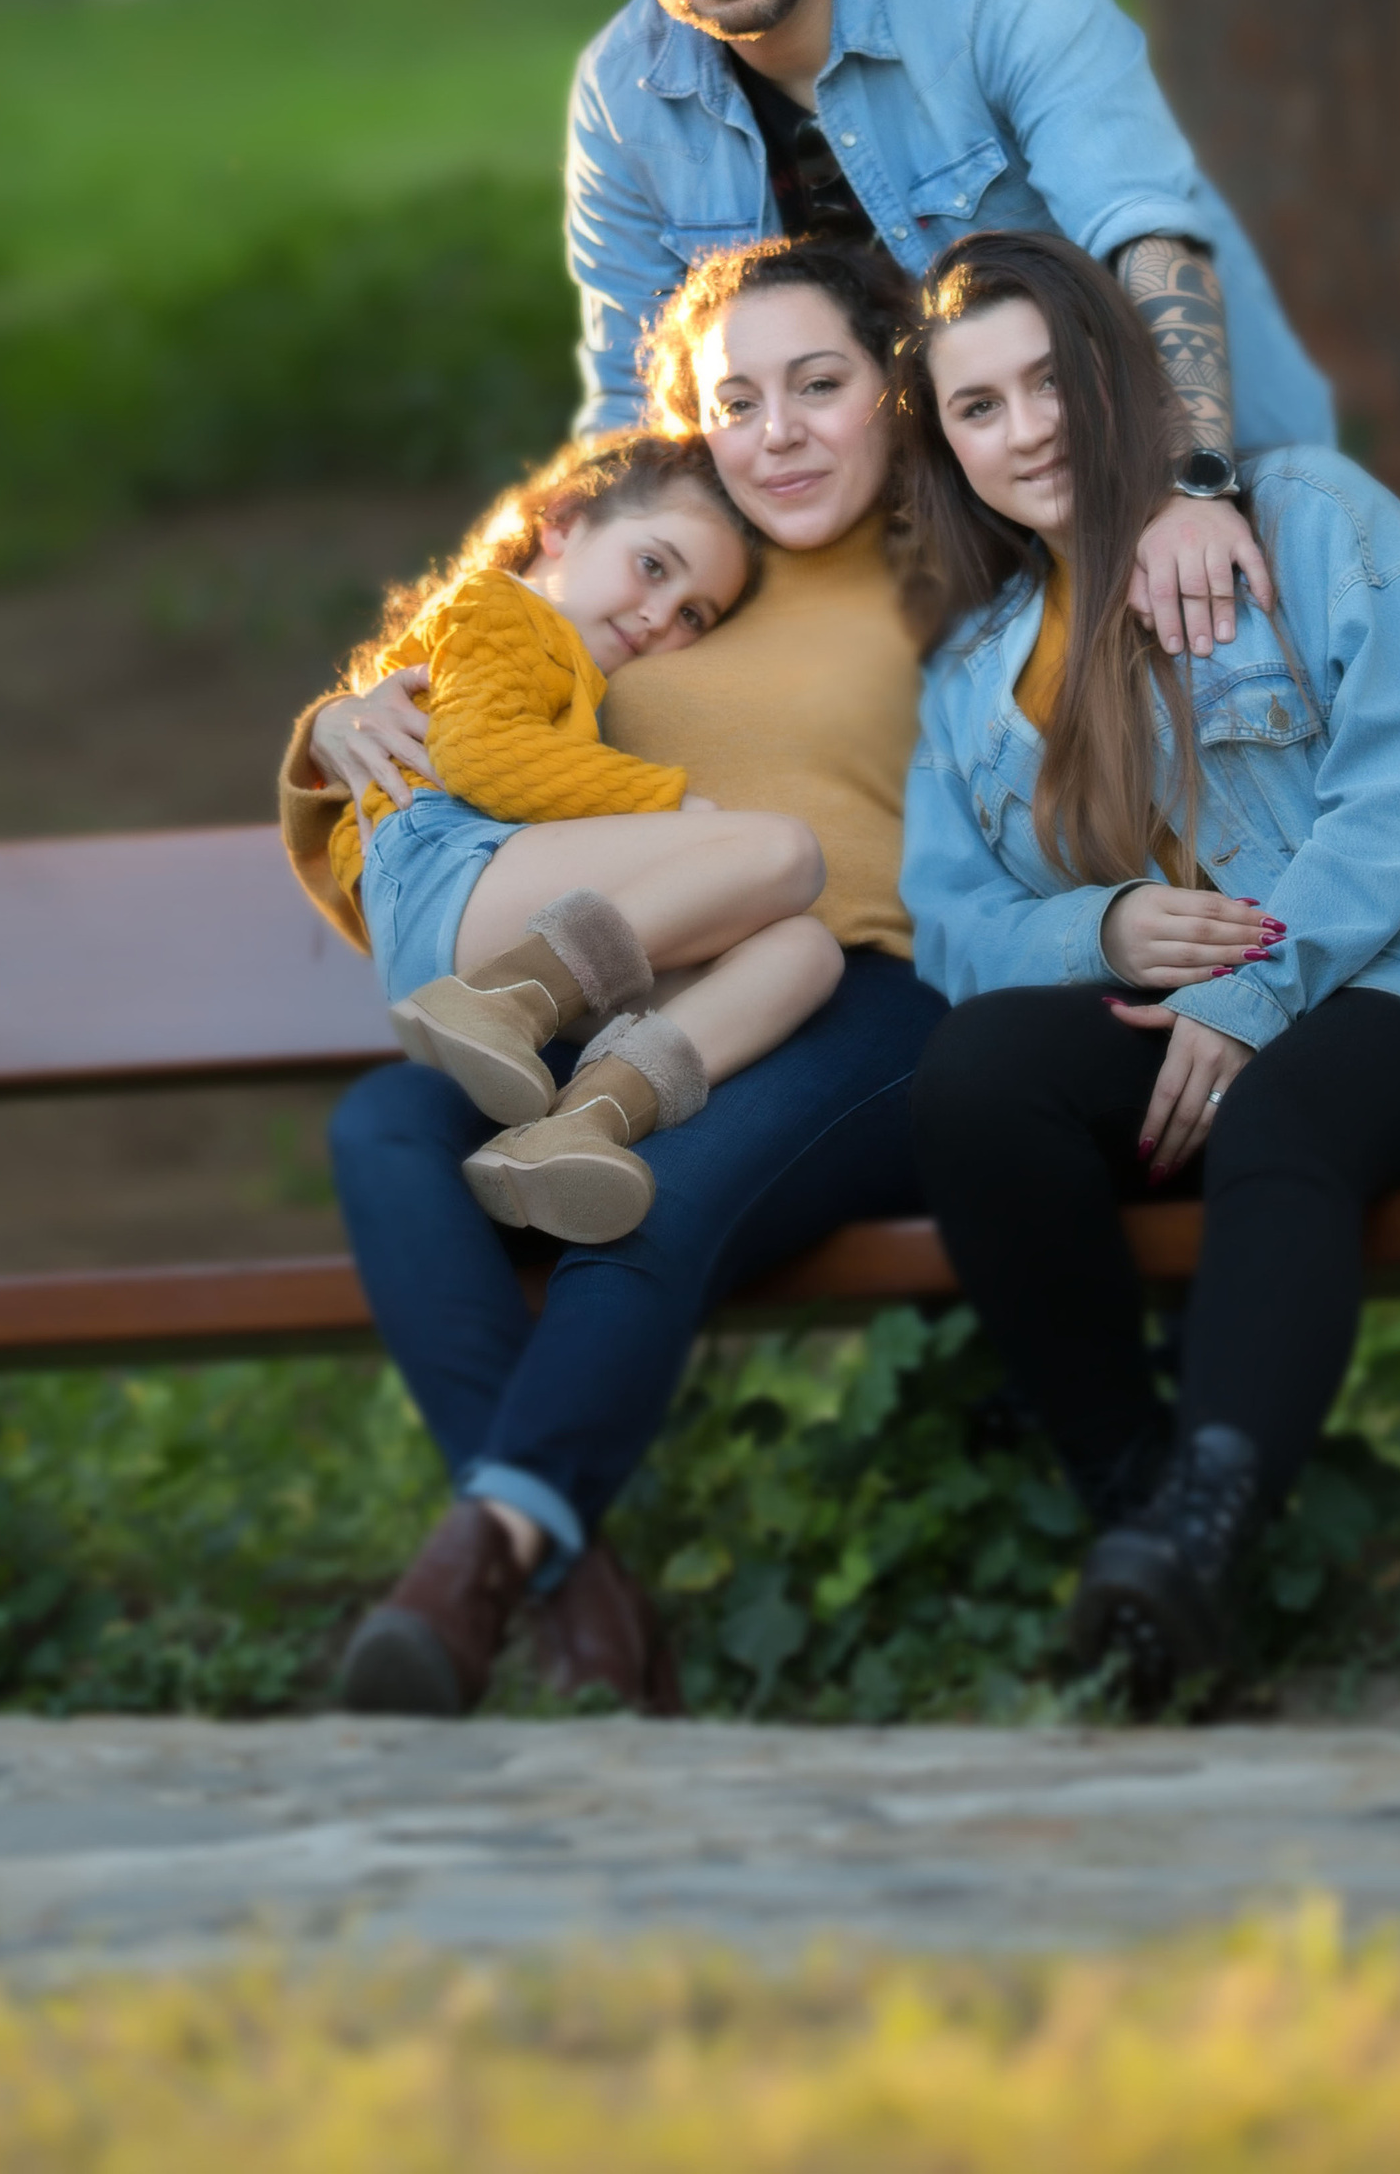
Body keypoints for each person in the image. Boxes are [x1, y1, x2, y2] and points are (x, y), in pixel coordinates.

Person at [898, 230, 1400, 1710]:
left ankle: (1203, 1548)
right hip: (1218, 1039)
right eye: (979, 407)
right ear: (946, 443)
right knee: (974, 1082)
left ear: (1116, 375)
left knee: (1292, 1104)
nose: (1026, 429)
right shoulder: (974, 675)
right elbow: (953, 921)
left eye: (1050, 380)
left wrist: (1253, 990)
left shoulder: (1303, 519)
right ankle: (1146, 1529)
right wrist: (1096, 934)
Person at [280, 236, 940, 1719]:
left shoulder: (949, 552)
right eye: (738, 401)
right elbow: (477, 683)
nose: (777, 432)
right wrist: (340, 724)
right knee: (387, 1133)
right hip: (615, 983)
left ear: (887, 392)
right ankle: (578, 1589)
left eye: (820, 387)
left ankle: (480, 1568)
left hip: (849, 990)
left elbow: (1161, 677)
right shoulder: (673, 544)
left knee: (661, 1188)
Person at [570, 0, 1400, 677]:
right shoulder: (621, 98)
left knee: (1316, 705)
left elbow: (1143, 232)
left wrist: (1198, 490)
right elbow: (630, 400)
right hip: (936, 527)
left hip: (1178, 450)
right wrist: (559, 607)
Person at [322, 427, 844, 1249]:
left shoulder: (576, 666)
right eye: (653, 566)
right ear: (562, 522)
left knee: (803, 953)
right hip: (451, 878)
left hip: (510, 929)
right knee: (782, 853)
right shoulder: (499, 607)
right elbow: (478, 753)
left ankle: (579, 1127)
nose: (657, 616)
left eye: (691, 615)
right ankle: (498, 1003)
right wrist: (673, 809)